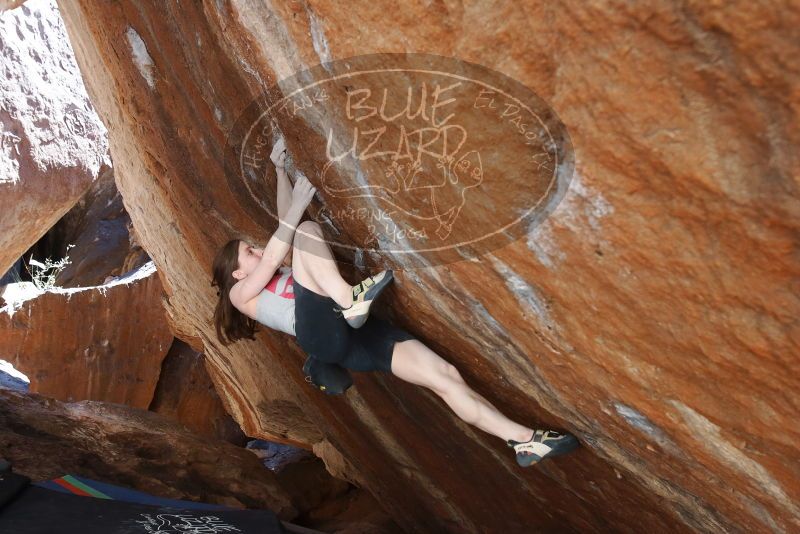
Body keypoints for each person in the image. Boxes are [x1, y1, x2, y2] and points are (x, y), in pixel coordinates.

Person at [211, 137, 579, 467]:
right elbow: (283, 241)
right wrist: (299, 210)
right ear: (237, 273)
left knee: (445, 377)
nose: (258, 251)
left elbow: (282, 225)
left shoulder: (295, 273)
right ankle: (348, 299)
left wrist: (280, 171)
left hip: (357, 343)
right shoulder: (242, 295)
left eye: (254, 247)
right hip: (322, 336)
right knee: (305, 230)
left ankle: (523, 441)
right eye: (249, 252)